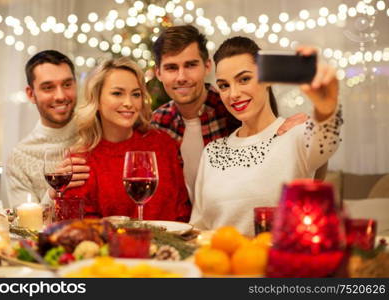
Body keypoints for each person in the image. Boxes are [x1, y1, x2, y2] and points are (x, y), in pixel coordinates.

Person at [190, 36, 343, 235]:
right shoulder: (212, 151)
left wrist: (326, 106)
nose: (233, 94)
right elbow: (199, 226)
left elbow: (327, 140)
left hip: (278, 263)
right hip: (220, 262)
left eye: (244, 79)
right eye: (224, 85)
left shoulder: (295, 134)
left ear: (267, 80)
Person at [150, 25, 315, 202]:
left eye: (191, 65)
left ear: (207, 67)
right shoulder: (157, 123)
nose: (181, 77)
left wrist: (312, 125)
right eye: (171, 68)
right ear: (158, 73)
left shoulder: (232, 108)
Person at [62, 57, 191, 221]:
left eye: (136, 94)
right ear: (97, 100)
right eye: (117, 93)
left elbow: (182, 211)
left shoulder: (162, 144)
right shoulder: (81, 162)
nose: (129, 103)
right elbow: (79, 229)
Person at [5, 50, 89, 207]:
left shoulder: (96, 133)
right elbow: (24, 228)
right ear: (31, 94)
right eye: (48, 87)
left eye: (67, 84)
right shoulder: (19, 158)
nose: (60, 96)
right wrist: (54, 191)